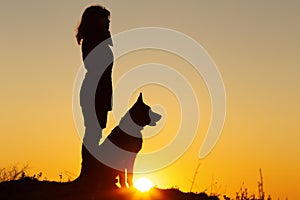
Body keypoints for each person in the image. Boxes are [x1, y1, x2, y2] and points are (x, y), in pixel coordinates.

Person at [75, 5, 114, 190]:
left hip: (100, 91)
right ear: (95, 21)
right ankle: (88, 174)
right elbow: (95, 66)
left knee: (95, 132)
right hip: (94, 91)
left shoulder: (100, 39)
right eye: (105, 19)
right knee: (93, 133)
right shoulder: (93, 40)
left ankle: (92, 174)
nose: (108, 22)